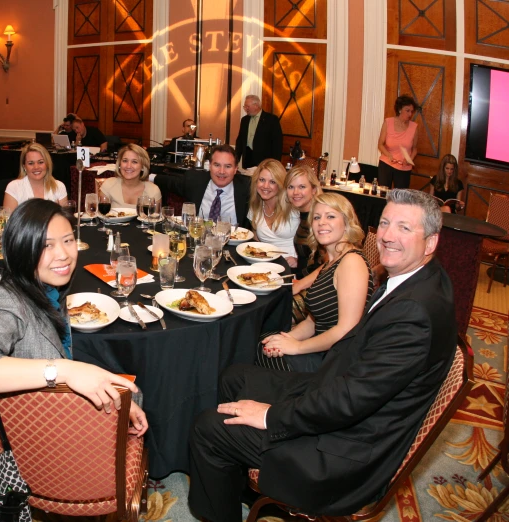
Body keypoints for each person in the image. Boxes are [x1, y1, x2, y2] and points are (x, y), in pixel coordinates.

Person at [188, 189, 456, 521]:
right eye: (385, 223)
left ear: (430, 243)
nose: (387, 235)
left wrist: (272, 416)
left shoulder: (415, 313)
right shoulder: (422, 279)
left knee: (208, 428)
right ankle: (243, 483)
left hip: (342, 451)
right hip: (335, 389)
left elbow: (349, 402)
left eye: (404, 227)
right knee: (235, 377)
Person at [0, 199, 147, 434]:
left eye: (68, 241)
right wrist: (63, 370)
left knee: (132, 395)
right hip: (38, 430)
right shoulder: (7, 301)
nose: (63, 254)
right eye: (47, 246)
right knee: (134, 394)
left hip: (49, 409)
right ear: (22, 249)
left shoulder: (50, 289)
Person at [260, 193, 374, 373]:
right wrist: (287, 338)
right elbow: (314, 320)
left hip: (333, 364)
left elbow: (347, 329)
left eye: (330, 216)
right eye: (316, 217)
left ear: (346, 222)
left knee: (254, 355)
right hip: (322, 350)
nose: (321, 222)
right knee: (262, 343)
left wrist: (296, 347)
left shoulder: (352, 262)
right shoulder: (332, 262)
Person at [152, 144, 250, 227]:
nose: (221, 171)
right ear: (209, 166)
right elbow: (170, 182)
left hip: (235, 245)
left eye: (228, 166)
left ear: (236, 169)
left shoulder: (247, 187)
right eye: (217, 165)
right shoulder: (195, 180)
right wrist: (147, 176)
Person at [247, 159, 300, 265]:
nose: (265, 186)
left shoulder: (293, 206)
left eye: (272, 182)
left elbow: (311, 241)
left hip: (292, 265)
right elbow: (256, 236)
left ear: (280, 184)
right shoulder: (255, 206)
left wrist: (299, 261)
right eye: (262, 180)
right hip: (266, 263)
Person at [3, 143, 68, 213]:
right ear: (24, 166)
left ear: (47, 164)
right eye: (31, 163)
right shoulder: (14, 187)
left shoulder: (59, 186)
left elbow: (65, 219)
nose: (36, 167)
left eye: (40, 162)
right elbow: (9, 221)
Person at [285, 164, 322, 278]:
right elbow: (311, 256)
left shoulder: (320, 218)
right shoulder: (305, 214)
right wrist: (298, 261)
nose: (295, 192)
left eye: (302, 187)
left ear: (314, 189)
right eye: (291, 187)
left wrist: (299, 283)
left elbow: (325, 265)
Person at [378, 95, 419, 189]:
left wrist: (410, 160)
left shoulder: (414, 127)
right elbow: (380, 144)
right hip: (386, 164)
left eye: (411, 111)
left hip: (404, 167)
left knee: (401, 197)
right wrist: (388, 155)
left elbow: (415, 149)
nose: (410, 114)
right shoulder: (388, 122)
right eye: (407, 110)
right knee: (383, 194)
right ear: (400, 109)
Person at [235, 95, 283, 169]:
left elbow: (277, 143)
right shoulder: (244, 120)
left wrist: (275, 164)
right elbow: (240, 141)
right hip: (247, 159)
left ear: (256, 106)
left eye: (247, 106)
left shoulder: (271, 120)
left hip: (264, 160)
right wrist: (235, 160)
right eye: (245, 107)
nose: (246, 109)